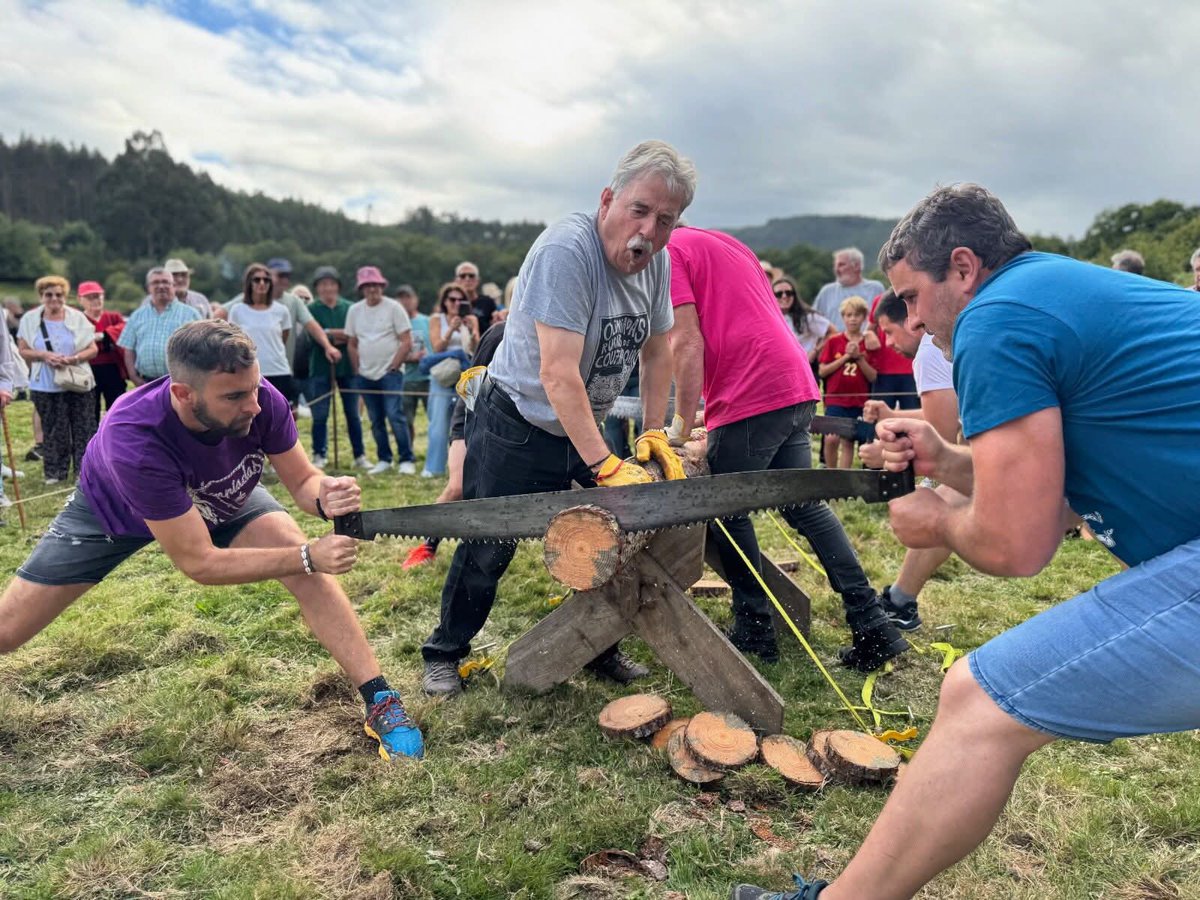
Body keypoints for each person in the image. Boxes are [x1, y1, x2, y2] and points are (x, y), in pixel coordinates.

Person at [736, 181, 1200, 899]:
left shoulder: (997, 318)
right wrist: (946, 461)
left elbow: (1019, 545)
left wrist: (939, 521)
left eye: (914, 297)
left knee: (978, 701)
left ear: (962, 268)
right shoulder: (1056, 294)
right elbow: (1060, 493)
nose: (912, 322)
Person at [0, 319, 422, 759]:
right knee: (8, 631)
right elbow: (199, 563)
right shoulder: (134, 439)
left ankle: (380, 698)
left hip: (223, 491)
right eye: (235, 396)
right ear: (183, 393)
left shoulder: (257, 398)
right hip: (114, 514)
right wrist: (307, 555)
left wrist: (326, 496)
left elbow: (302, 482)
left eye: (255, 389)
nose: (253, 406)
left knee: (308, 574)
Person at [419, 139, 693, 697]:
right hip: (518, 423)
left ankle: (598, 646)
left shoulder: (658, 262)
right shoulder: (566, 252)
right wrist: (605, 465)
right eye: (639, 210)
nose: (648, 231)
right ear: (608, 200)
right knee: (488, 545)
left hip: (586, 423)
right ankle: (444, 652)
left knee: (610, 541)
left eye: (665, 220)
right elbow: (557, 374)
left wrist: (652, 432)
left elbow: (658, 350)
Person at [667, 226, 908, 670]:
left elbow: (685, 342)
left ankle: (755, 627)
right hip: (792, 382)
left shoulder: (671, 250)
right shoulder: (726, 243)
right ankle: (872, 623)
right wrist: (713, 414)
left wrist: (679, 430)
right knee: (804, 505)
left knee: (724, 509)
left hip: (754, 388)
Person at [858, 290, 960, 632]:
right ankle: (902, 601)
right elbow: (947, 413)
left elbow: (942, 432)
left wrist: (887, 453)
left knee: (940, 506)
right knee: (946, 505)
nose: (888, 342)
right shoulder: (937, 345)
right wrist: (893, 415)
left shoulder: (929, 351)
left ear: (911, 322)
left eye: (889, 331)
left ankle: (901, 601)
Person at [402, 316, 508, 569]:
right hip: (471, 410)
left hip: (508, 421)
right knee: (457, 487)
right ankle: (428, 545)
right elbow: (472, 386)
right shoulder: (499, 334)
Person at [16, 276, 99, 484]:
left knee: (83, 428)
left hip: (77, 381)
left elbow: (93, 348)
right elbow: (23, 349)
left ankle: (84, 471)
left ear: (65, 296)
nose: (54, 298)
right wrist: (45, 356)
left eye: (59, 294)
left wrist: (73, 358)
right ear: (41, 296)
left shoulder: (78, 317)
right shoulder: (30, 319)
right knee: (53, 429)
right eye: (49, 294)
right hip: (44, 382)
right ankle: (55, 472)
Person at [344, 266, 415, 476]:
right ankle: (384, 458)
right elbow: (352, 343)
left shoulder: (394, 307)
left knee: (395, 415)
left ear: (381, 286)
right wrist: (356, 368)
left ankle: (406, 459)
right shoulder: (354, 310)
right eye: (367, 286)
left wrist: (394, 365)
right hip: (365, 374)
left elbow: (406, 340)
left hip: (390, 373)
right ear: (362, 288)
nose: (372, 289)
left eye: (375, 285)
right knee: (375, 419)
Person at [306, 267, 366, 470]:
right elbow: (313, 335)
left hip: (348, 365)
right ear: (317, 288)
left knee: (352, 413)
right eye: (323, 284)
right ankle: (319, 453)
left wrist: (328, 332)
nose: (327, 288)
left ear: (338, 286)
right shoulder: (311, 309)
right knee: (320, 414)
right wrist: (333, 336)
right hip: (321, 365)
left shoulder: (350, 308)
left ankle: (360, 455)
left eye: (331, 284)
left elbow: (353, 335)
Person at [423, 282, 480, 478]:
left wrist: (472, 331)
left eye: (460, 299)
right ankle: (434, 468)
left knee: (466, 423)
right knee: (438, 423)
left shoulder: (471, 319)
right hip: (443, 374)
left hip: (465, 375)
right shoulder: (436, 319)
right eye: (452, 299)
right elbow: (437, 347)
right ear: (444, 302)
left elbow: (476, 348)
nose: (456, 303)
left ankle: (462, 468)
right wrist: (450, 330)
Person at [817, 295, 880, 469]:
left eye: (857, 315)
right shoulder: (834, 341)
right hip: (836, 398)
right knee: (831, 437)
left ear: (864, 318)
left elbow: (873, 376)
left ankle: (844, 479)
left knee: (848, 440)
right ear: (843, 317)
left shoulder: (867, 342)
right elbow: (822, 370)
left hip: (858, 401)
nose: (853, 319)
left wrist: (858, 357)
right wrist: (846, 357)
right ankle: (831, 473)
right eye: (849, 315)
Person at [119, 268, 202, 385]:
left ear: (174, 285)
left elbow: (201, 349)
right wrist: (133, 376)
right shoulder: (137, 316)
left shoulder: (191, 314)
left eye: (165, 282)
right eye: (156, 282)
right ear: (148, 288)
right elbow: (128, 349)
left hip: (180, 383)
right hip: (145, 382)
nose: (161, 286)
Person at [228, 263, 296, 406]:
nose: (262, 283)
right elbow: (234, 341)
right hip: (249, 371)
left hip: (278, 370)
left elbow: (282, 338)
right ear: (249, 283)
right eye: (257, 279)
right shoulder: (237, 310)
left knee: (281, 416)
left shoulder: (281, 310)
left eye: (266, 280)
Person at [77, 280, 127, 418]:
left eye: (98, 296)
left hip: (112, 367)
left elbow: (124, 329)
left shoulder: (113, 317)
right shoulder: (77, 318)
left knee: (116, 405)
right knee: (90, 407)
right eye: (89, 297)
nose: (95, 300)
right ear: (80, 300)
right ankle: (93, 437)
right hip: (87, 367)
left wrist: (104, 334)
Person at [812, 247, 886, 332]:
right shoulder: (826, 292)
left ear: (857, 266)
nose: (837, 270)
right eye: (835, 266)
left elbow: (883, 320)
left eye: (841, 265)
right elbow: (814, 321)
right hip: (835, 344)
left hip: (867, 343)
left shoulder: (874, 288)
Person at [396, 285, 430, 450]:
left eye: (408, 297)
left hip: (428, 378)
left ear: (415, 299)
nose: (405, 301)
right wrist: (409, 357)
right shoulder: (396, 324)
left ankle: (435, 453)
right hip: (406, 379)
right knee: (406, 419)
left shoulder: (427, 321)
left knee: (434, 419)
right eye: (401, 298)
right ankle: (408, 451)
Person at [773, 276, 834, 364]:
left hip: (806, 366)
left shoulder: (807, 316)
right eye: (779, 294)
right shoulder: (770, 319)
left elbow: (832, 332)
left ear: (794, 295)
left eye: (789, 293)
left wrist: (815, 351)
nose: (784, 296)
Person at [455, 261, 497, 332]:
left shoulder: (488, 302)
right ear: (456, 280)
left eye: (471, 276)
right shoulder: (452, 302)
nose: (467, 279)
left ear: (478, 280)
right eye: (463, 276)